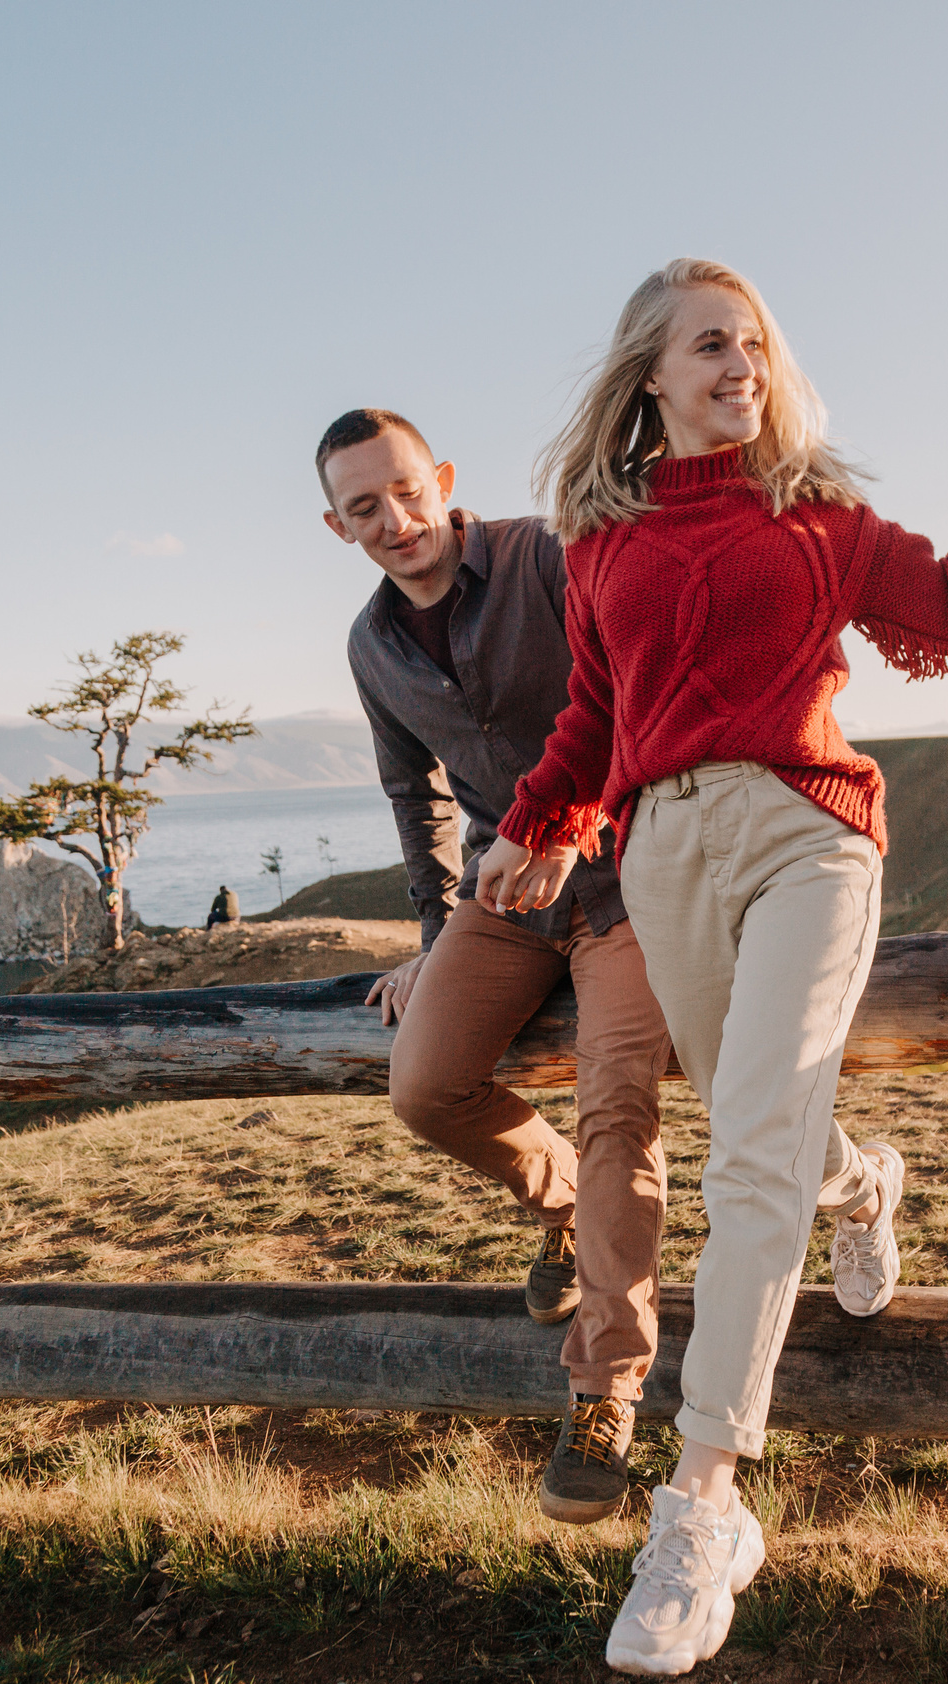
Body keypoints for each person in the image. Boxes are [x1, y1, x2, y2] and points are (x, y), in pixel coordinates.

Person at [478, 259, 948, 1677]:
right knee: (768, 1126)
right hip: (664, 857)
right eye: (710, 345)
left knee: (742, 1157)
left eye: (754, 343)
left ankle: (703, 1501)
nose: (739, 364)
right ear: (651, 375)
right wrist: (538, 824)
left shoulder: (815, 514)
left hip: (808, 836)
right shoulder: (604, 545)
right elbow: (594, 712)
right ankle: (870, 1182)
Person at [322, 407, 673, 1525]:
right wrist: (431, 945)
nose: (397, 519)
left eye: (409, 490)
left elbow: (640, 691)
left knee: (619, 1105)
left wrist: (577, 822)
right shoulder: (371, 645)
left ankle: (605, 1389)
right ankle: (560, 1206)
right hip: (503, 892)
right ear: (336, 525)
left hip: (629, 877)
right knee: (424, 1087)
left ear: (445, 480)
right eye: (366, 506)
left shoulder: (548, 556)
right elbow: (412, 796)